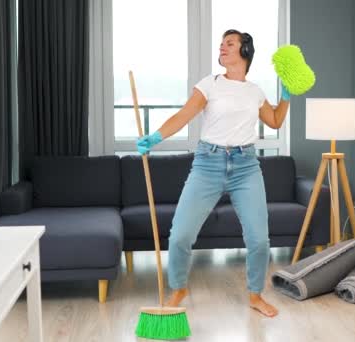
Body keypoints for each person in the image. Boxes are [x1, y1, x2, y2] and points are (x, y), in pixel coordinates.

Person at [136, 29, 291, 317]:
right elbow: (184, 115)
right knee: (180, 235)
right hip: (208, 164)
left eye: (229, 43)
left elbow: (274, 121)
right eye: (221, 44)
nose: (222, 47)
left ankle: (255, 295)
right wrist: (155, 137)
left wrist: (286, 97)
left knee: (258, 239)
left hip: (246, 167)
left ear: (245, 51)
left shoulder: (254, 91)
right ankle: (179, 287)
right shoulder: (210, 84)